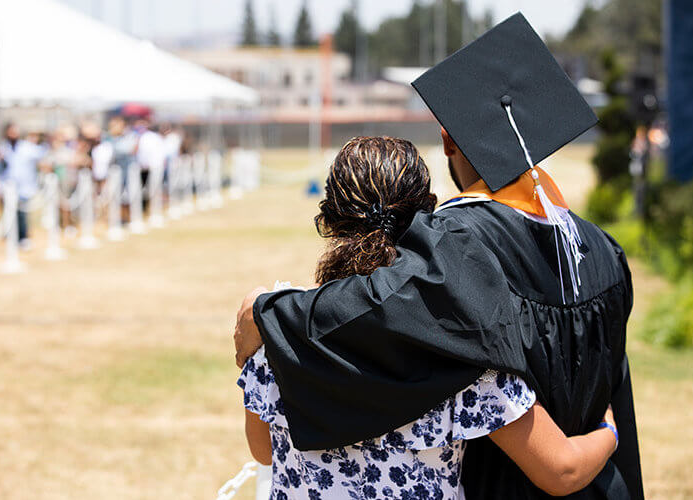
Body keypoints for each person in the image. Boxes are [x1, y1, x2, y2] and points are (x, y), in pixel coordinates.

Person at [233, 14, 642, 500]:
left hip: (501, 484)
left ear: (449, 141)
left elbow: (374, 309)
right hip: (586, 476)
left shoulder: (458, 242)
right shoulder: (600, 248)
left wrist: (268, 312)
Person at [239, 137, 620, 499]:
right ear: (426, 218)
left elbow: (264, 451)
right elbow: (561, 471)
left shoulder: (278, 330)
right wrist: (608, 429)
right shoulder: (463, 350)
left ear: (329, 219)